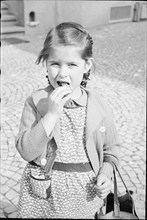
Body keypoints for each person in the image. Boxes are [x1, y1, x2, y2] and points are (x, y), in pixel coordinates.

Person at [15, 22, 120, 219]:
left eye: (72, 64)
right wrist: (51, 115)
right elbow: (26, 150)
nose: (62, 73)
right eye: (55, 63)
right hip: (42, 201)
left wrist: (105, 175)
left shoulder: (100, 106)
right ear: (46, 63)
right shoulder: (37, 101)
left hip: (84, 200)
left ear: (86, 65)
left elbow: (111, 151)